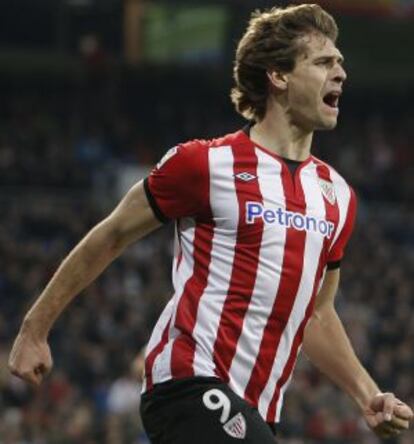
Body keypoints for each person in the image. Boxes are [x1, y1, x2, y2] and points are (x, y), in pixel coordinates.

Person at [8, 4, 413, 444]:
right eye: (323, 62)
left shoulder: (338, 197)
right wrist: (35, 328)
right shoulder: (204, 164)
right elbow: (112, 235)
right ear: (278, 76)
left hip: (256, 408)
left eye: (340, 63)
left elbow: (315, 314)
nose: (340, 73)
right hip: (186, 381)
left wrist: (367, 394)